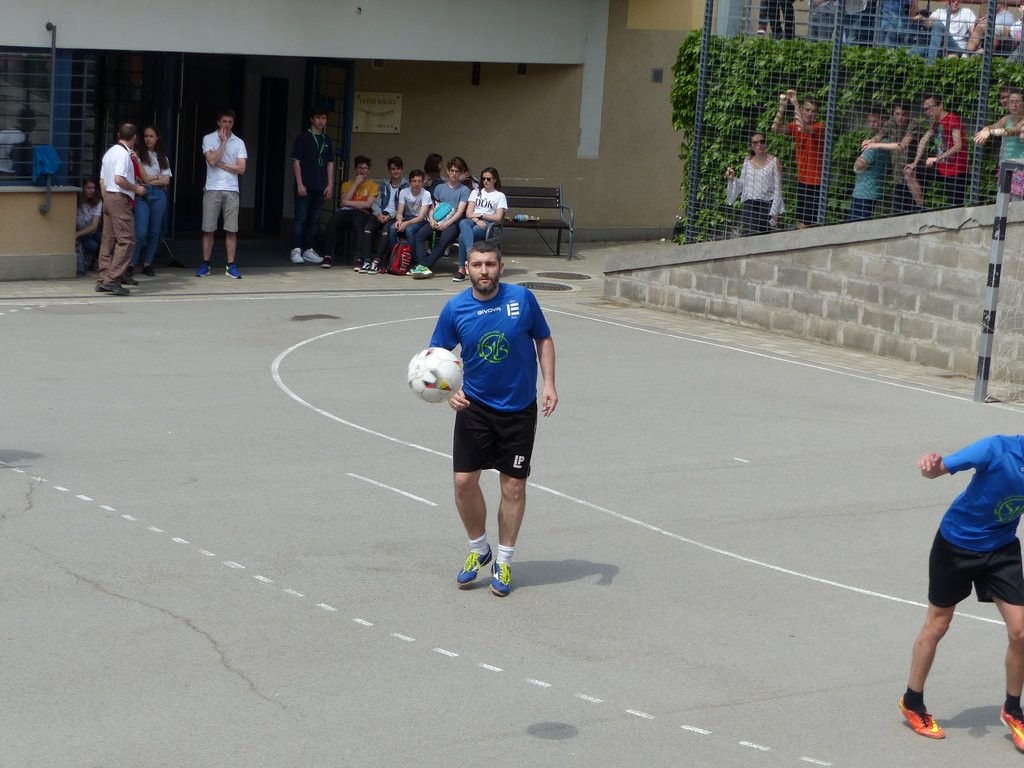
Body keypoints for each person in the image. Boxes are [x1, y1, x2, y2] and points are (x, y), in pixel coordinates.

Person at [429, 240, 558, 598]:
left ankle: (503, 559)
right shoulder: (455, 309)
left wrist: (549, 383)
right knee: (463, 482)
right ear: (467, 269)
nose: (483, 270)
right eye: (477, 264)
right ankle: (478, 548)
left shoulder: (523, 299)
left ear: (501, 267)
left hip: (518, 410)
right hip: (475, 407)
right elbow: (436, 357)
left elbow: (544, 338)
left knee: (513, 487)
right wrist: (449, 391)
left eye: (489, 264)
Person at [898, 436, 1024, 754]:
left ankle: (1013, 710)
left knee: (1021, 632)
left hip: (1001, 549)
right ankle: (912, 702)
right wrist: (930, 465)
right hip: (956, 545)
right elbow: (937, 469)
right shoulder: (996, 449)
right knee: (937, 625)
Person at [197, 108, 247, 279]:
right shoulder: (208, 138)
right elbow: (211, 160)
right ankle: (206, 264)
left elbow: (241, 169)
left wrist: (221, 164)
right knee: (208, 229)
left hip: (232, 189)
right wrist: (223, 143)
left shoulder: (239, 142)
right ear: (218, 122)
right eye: (224, 121)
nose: (227, 125)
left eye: (230, 122)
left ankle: (230, 265)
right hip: (212, 188)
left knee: (231, 230)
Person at [96, 123, 145, 296]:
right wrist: (136, 188)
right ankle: (112, 279)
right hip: (120, 198)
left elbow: (102, 179)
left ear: (118, 135)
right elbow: (119, 179)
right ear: (134, 138)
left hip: (108, 196)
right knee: (127, 240)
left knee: (108, 240)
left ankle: (102, 278)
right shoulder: (124, 155)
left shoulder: (109, 153)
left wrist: (106, 198)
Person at [409, 156, 471, 279]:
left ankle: (424, 265)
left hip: (453, 222)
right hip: (436, 220)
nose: (454, 174)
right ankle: (422, 264)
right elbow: (432, 207)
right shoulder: (439, 188)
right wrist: (432, 220)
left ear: (460, 173)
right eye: (452, 170)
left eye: (457, 171)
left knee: (444, 240)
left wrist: (447, 224)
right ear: (448, 171)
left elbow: (460, 211)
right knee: (420, 235)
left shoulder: (464, 190)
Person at [771, 89, 826, 228]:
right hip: (802, 180)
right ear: (802, 110)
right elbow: (775, 128)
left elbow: (802, 128)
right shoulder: (795, 125)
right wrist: (782, 107)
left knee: (807, 223)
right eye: (807, 110)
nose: (810, 114)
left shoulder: (819, 127)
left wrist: (795, 103)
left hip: (815, 182)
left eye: (813, 111)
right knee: (803, 221)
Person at [904, 94, 968, 209]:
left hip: (956, 170)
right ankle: (920, 208)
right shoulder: (936, 123)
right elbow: (923, 140)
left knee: (955, 207)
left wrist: (937, 158)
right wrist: (914, 163)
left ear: (941, 106)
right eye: (925, 109)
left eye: (930, 108)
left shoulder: (952, 119)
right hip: (941, 168)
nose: (928, 112)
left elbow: (958, 146)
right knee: (910, 172)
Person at [289, 106, 333, 265]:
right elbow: (296, 161)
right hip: (305, 186)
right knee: (301, 217)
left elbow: (330, 163)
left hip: (320, 186)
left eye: (324, 118)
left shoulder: (327, 140)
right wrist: (300, 183)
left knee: (314, 219)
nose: (321, 121)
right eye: (318, 118)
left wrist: (330, 184)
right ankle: (295, 249)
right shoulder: (303, 138)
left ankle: (308, 249)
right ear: (312, 119)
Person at [862, 100, 921, 215]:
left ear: (909, 114)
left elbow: (902, 145)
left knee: (915, 211)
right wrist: (870, 141)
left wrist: (876, 145)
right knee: (898, 212)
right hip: (898, 174)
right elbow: (879, 135)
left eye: (903, 114)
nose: (900, 118)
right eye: (897, 114)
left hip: (915, 174)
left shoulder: (913, 124)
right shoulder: (891, 122)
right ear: (893, 113)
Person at [321, 155, 378, 269]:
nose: (362, 171)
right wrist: (355, 184)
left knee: (358, 223)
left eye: (365, 168)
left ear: (369, 170)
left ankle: (358, 258)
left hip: (362, 213)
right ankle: (328, 256)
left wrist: (347, 203)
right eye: (359, 168)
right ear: (355, 169)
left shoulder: (373, 185)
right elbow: (343, 202)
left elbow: (367, 204)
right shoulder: (347, 184)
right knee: (333, 222)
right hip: (346, 212)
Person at [130, 125, 172, 278]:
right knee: (140, 232)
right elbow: (138, 178)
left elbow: (166, 180)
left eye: (151, 136)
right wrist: (156, 177)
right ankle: (132, 263)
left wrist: (149, 179)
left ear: (157, 138)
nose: (148, 139)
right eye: (146, 136)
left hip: (159, 195)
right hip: (143, 194)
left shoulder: (163, 158)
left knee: (154, 232)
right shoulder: (138, 155)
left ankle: (147, 263)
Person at [724, 132, 784, 235]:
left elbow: (778, 188)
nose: (759, 145)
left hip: (767, 204)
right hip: (750, 204)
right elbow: (744, 184)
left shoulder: (774, 161)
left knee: (765, 236)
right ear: (751, 146)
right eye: (755, 143)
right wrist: (732, 178)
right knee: (751, 234)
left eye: (762, 142)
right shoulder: (747, 161)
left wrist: (775, 211)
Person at [455, 167, 507, 282]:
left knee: (462, 236)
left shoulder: (500, 196)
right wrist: (477, 220)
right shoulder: (476, 192)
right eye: (483, 179)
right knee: (463, 222)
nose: (485, 181)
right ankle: (470, 253)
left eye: (488, 179)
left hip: (488, 224)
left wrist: (482, 215)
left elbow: (498, 218)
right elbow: (468, 213)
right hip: (474, 221)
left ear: (495, 180)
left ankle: (461, 270)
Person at [357, 155, 407, 274]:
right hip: (380, 213)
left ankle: (376, 261)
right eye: (393, 169)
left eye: (398, 168)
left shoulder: (406, 186)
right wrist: (378, 213)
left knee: (386, 230)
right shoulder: (384, 184)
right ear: (389, 170)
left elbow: (404, 207)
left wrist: (390, 216)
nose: (396, 171)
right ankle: (367, 260)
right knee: (368, 228)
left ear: (402, 169)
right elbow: (376, 202)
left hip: (395, 215)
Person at [974, 87, 1024, 200]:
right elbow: (993, 126)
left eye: (1018, 102)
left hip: (1021, 167)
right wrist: (985, 130)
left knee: (1017, 204)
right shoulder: (1007, 118)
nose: (1014, 105)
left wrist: (991, 132)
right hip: (1006, 166)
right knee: (1002, 201)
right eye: (1011, 102)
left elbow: (1012, 131)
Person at [848, 106, 890, 221]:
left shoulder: (878, 145)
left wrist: (858, 162)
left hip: (865, 192)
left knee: (856, 225)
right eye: (869, 121)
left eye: (875, 121)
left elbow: (859, 165)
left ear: (884, 121)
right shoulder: (882, 142)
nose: (871, 125)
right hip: (870, 191)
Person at [910, 0, 977, 61]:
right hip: (940, 48)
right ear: (945, 2)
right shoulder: (939, 12)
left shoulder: (967, 12)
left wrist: (977, 25)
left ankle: (931, 62)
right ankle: (949, 56)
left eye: (958, 0)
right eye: (953, 1)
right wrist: (922, 18)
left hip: (957, 47)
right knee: (913, 51)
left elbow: (973, 29)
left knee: (937, 24)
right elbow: (929, 23)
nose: (956, 2)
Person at [390, 168, 432, 251]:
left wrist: (407, 223)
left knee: (409, 230)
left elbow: (421, 217)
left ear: (423, 182)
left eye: (419, 181)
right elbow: (399, 213)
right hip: (406, 218)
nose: (417, 184)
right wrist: (399, 220)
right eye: (414, 181)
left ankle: (413, 256)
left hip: (420, 221)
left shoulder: (426, 194)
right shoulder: (404, 192)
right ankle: (396, 253)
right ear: (410, 182)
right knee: (393, 228)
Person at [75, 177, 103, 275]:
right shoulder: (76, 201)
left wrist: (78, 233)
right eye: (88, 188)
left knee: (105, 238)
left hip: (90, 230)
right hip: (80, 231)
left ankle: (96, 261)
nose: (91, 191)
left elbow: (94, 226)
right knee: (92, 245)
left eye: (93, 188)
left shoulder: (98, 202)